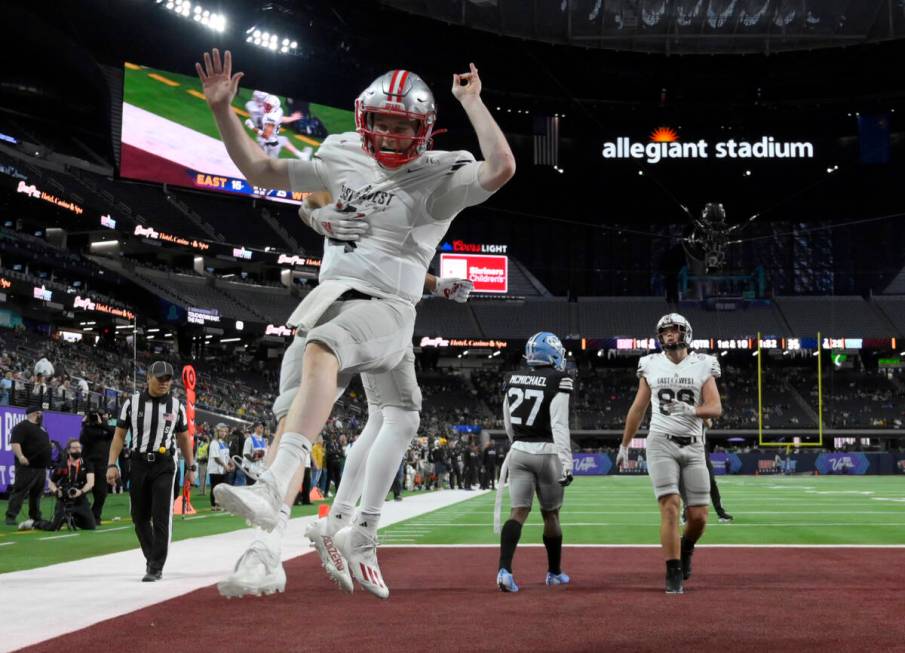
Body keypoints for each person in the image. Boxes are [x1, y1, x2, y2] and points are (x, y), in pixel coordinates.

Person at [198, 47, 514, 598]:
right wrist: (224, 110)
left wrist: (473, 101)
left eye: (403, 125)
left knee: (367, 390)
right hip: (328, 299)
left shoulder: (440, 173)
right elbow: (260, 170)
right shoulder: (340, 153)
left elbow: (501, 168)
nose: (391, 135)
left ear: (425, 130)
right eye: (383, 123)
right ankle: (269, 550)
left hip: (385, 307)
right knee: (302, 417)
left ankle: (345, 521)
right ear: (363, 121)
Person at [616, 314, 722, 594]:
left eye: (674, 331)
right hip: (660, 442)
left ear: (686, 333)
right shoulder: (650, 363)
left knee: (698, 516)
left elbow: (715, 408)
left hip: (694, 444)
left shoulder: (703, 363)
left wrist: (693, 410)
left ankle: (686, 548)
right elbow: (638, 409)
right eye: (665, 332)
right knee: (671, 505)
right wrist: (625, 444)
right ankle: (672, 570)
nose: (669, 336)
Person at [495, 332, 574, 592]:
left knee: (517, 512)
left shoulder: (512, 378)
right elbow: (559, 424)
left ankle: (504, 571)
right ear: (552, 353)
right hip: (548, 452)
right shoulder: (559, 379)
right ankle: (554, 572)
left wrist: (517, 443)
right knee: (551, 514)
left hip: (518, 450)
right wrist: (566, 461)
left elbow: (507, 421)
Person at [105, 361, 195, 582]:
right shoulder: (131, 404)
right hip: (138, 463)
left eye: (168, 379)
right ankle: (151, 557)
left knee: (161, 515)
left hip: (164, 464)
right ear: (148, 378)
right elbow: (118, 435)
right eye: (160, 378)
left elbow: (184, 438)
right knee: (139, 516)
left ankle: (156, 566)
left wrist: (191, 466)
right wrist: (111, 464)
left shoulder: (176, 406)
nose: (165, 383)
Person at [31, 439, 96, 531]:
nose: (77, 450)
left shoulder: (86, 463)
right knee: (53, 528)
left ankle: (71, 519)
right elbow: (51, 482)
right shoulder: (62, 465)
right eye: (74, 448)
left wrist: (80, 492)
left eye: (79, 448)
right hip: (64, 500)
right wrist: (56, 492)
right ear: (68, 450)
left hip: (80, 499)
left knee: (90, 526)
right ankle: (35, 523)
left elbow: (91, 483)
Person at [5, 402, 51, 526]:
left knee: (36, 494)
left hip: (41, 467)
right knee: (20, 491)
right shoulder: (22, 427)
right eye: (40, 413)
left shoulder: (42, 428)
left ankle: (35, 516)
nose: (42, 415)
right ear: (35, 413)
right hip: (27, 466)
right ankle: (11, 516)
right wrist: (20, 456)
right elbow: (15, 443)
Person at [79, 411, 114, 523]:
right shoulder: (87, 429)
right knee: (83, 488)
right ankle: (80, 513)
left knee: (102, 492)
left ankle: (95, 515)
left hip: (102, 463)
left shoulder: (107, 428)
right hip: (88, 462)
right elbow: (82, 440)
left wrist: (101, 424)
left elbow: (114, 433)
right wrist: (84, 425)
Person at [207, 423, 233, 509]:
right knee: (215, 488)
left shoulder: (224, 443)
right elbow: (216, 458)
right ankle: (214, 505)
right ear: (217, 432)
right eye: (221, 431)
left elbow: (227, 456)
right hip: (215, 470)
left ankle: (220, 504)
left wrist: (231, 463)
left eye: (225, 431)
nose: (223, 433)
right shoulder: (214, 443)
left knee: (223, 488)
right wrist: (225, 465)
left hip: (223, 470)